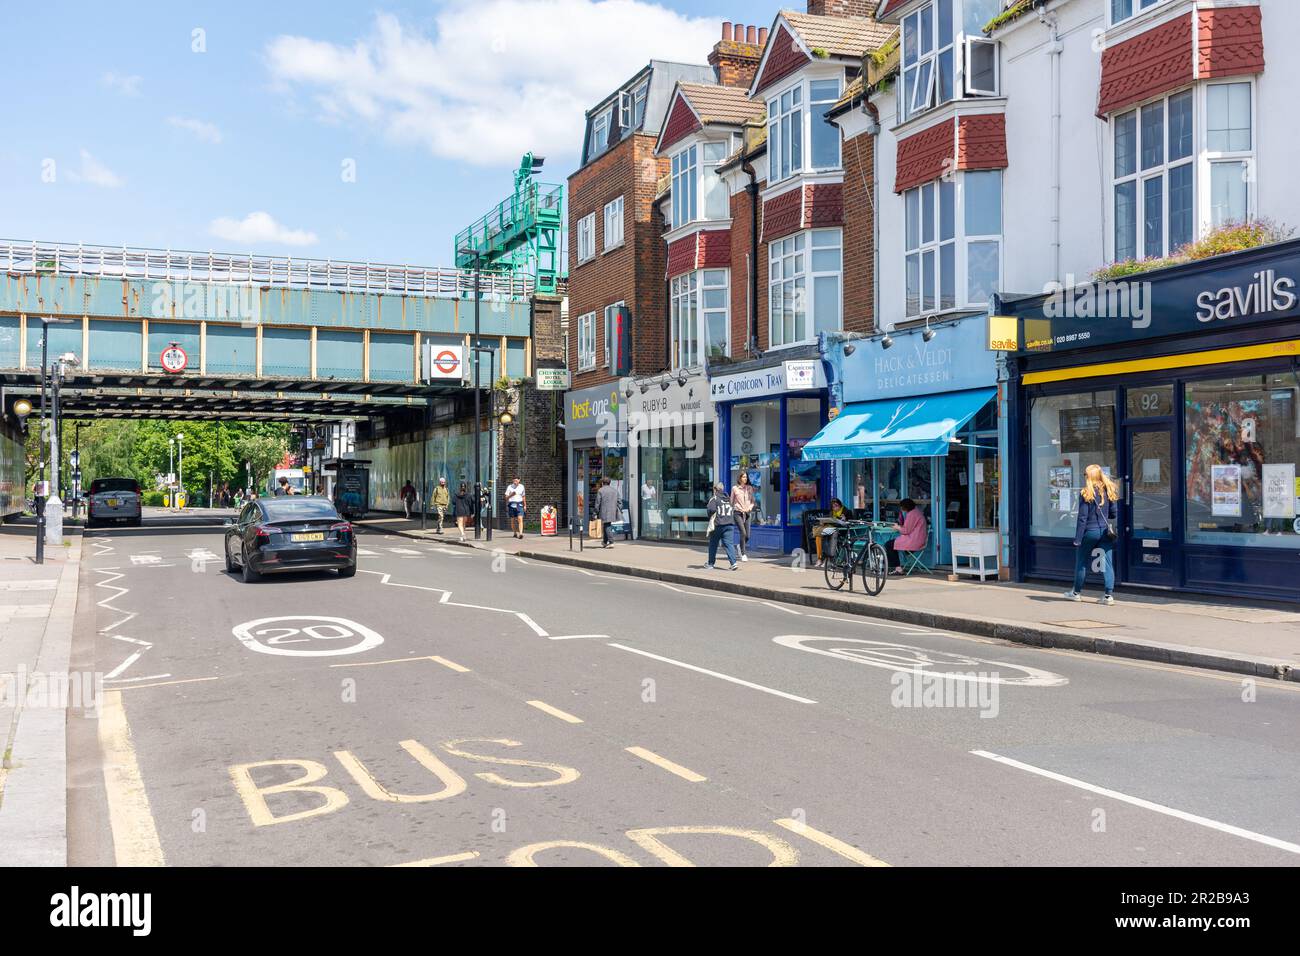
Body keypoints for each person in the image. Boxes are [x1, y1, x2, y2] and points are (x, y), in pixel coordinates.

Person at [1065, 464, 1118, 605]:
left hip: (1090, 532)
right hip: (1105, 532)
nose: (1084, 477)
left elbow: (1082, 518)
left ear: (1089, 476)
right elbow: (1113, 513)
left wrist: (1078, 538)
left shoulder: (1086, 492)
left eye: (1085, 475)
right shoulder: (1109, 490)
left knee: (1081, 562)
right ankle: (1108, 596)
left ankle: (1076, 593)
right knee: (1107, 563)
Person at [705, 481, 738, 571]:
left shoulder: (714, 498)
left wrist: (710, 516)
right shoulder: (728, 498)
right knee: (729, 544)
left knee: (713, 545)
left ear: (715, 489)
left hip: (718, 524)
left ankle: (711, 563)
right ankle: (733, 563)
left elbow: (710, 510)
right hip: (729, 524)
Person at [888, 498, 927, 575]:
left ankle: (897, 568)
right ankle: (898, 564)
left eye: (901, 507)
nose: (901, 509)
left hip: (914, 541)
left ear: (905, 507)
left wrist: (897, 527)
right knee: (893, 544)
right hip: (918, 540)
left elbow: (905, 531)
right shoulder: (917, 512)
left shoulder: (912, 514)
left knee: (889, 545)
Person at [813, 497, 849, 566]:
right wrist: (823, 522)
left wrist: (845, 519)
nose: (835, 508)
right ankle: (820, 558)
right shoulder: (832, 512)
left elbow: (850, 522)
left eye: (836, 506)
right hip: (830, 529)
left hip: (840, 531)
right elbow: (829, 521)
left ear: (840, 505)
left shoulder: (846, 511)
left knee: (827, 537)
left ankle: (828, 559)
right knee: (818, 537)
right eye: (833, 506)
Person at [731, 471, 756, 562]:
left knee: (748, 536)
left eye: (746, 477)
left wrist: (749, 508)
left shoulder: (749, 488)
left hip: (747, 513)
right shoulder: (735, 488)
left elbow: (753, 501)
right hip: (738, 513)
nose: (745, 478)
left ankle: (739, 546)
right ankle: (743, 554)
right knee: (743, 533)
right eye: (743, 477)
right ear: (740, 478)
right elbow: (731, 501)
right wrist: (735, 507)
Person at [594, 477, 620, 549]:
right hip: (613, 511)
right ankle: (605, 542)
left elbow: (597, 503)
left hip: (604, 511)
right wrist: (618, 509)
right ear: (609, 483)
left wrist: (595, 512)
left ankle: (611, 542)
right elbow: (619, 502)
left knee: (607, 526)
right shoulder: (615, 490)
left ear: (602, 483)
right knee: (606, 524)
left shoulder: (601, 491)